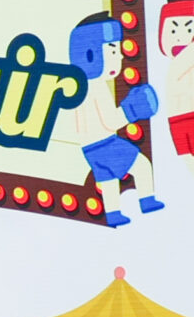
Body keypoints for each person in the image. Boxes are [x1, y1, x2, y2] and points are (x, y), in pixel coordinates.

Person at [69, 13, 164, 226]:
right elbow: (110, 121)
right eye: (113, 50)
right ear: (90, 54)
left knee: (109, 181)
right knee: (142, 165)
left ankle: (113, 213)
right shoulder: (97, 88)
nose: (120, 57)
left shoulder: (79, 89)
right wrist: (132, 110)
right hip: (105, 143)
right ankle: (147, 200)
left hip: (88, 149)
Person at [162, 0, 194, 181]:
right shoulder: (179, 63)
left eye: (189, 30)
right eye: (173, 31)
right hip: (178, 124)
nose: (181, 38)